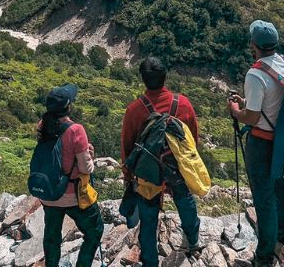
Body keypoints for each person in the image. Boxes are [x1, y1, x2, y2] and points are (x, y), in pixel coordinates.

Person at [121, 57, 201, 267]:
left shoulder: (135, 110)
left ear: (143, 79)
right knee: (185, 203)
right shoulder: (183, 104)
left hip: (147, 173)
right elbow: (192, 140)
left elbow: (127, 147)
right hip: (177, 168)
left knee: (148, 218)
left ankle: (150, 261)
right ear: (165, 77)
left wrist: (129, 176)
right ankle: (193, 240)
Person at [228, 20, 284, 267]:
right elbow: (271, 101)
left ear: (253, 44)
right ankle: (283, 233)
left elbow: (252, 117)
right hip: (281, 137)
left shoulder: (255, 74)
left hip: (262, 141)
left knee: (263, 198)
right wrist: (247, 100)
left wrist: (235, 110)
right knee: (278, 185)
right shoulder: (283, 63)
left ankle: (264, 255)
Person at [38, 84, 104, 267]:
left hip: (49, 193)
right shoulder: (76, 130)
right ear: (68, 106)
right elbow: (85, 168)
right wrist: (90, 154)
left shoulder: (43, 125)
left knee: (52, 235)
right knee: (95, 231)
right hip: (72, 195)